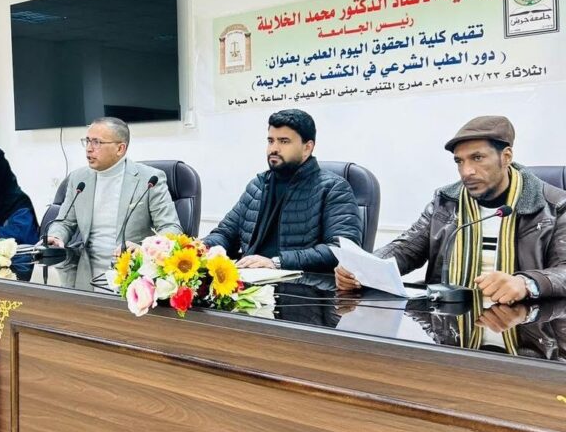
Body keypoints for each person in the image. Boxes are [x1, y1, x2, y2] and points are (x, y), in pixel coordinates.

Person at [335, 115, 566, 302]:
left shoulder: (555, 206)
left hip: (526, 328)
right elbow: (406, 249)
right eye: (459, 161)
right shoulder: (446, 202)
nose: (467, 171)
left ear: (506, 157)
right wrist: (363, 268)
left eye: (477, 158)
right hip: (452, 323)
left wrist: (526, 283)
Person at [203, 109, 362, 272]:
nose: (274, 149)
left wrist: (277, 262)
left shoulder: (333, 188)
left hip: (301, 284)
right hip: (249, 279)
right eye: (271, 141)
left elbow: (341, 250)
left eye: (284, 141)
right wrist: (205, 248)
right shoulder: (258, 186)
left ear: (307, 148)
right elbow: (225, 233)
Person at [46, 117, 181, 272]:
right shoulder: (78, 178)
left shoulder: (149, 179)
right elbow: (64, 222)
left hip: (131, 270)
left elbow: (171, 228)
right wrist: (56, 237)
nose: (89, 148)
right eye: (87, 141)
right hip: (86, 266)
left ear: (120, 149)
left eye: (97, 142)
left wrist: (144, 249)